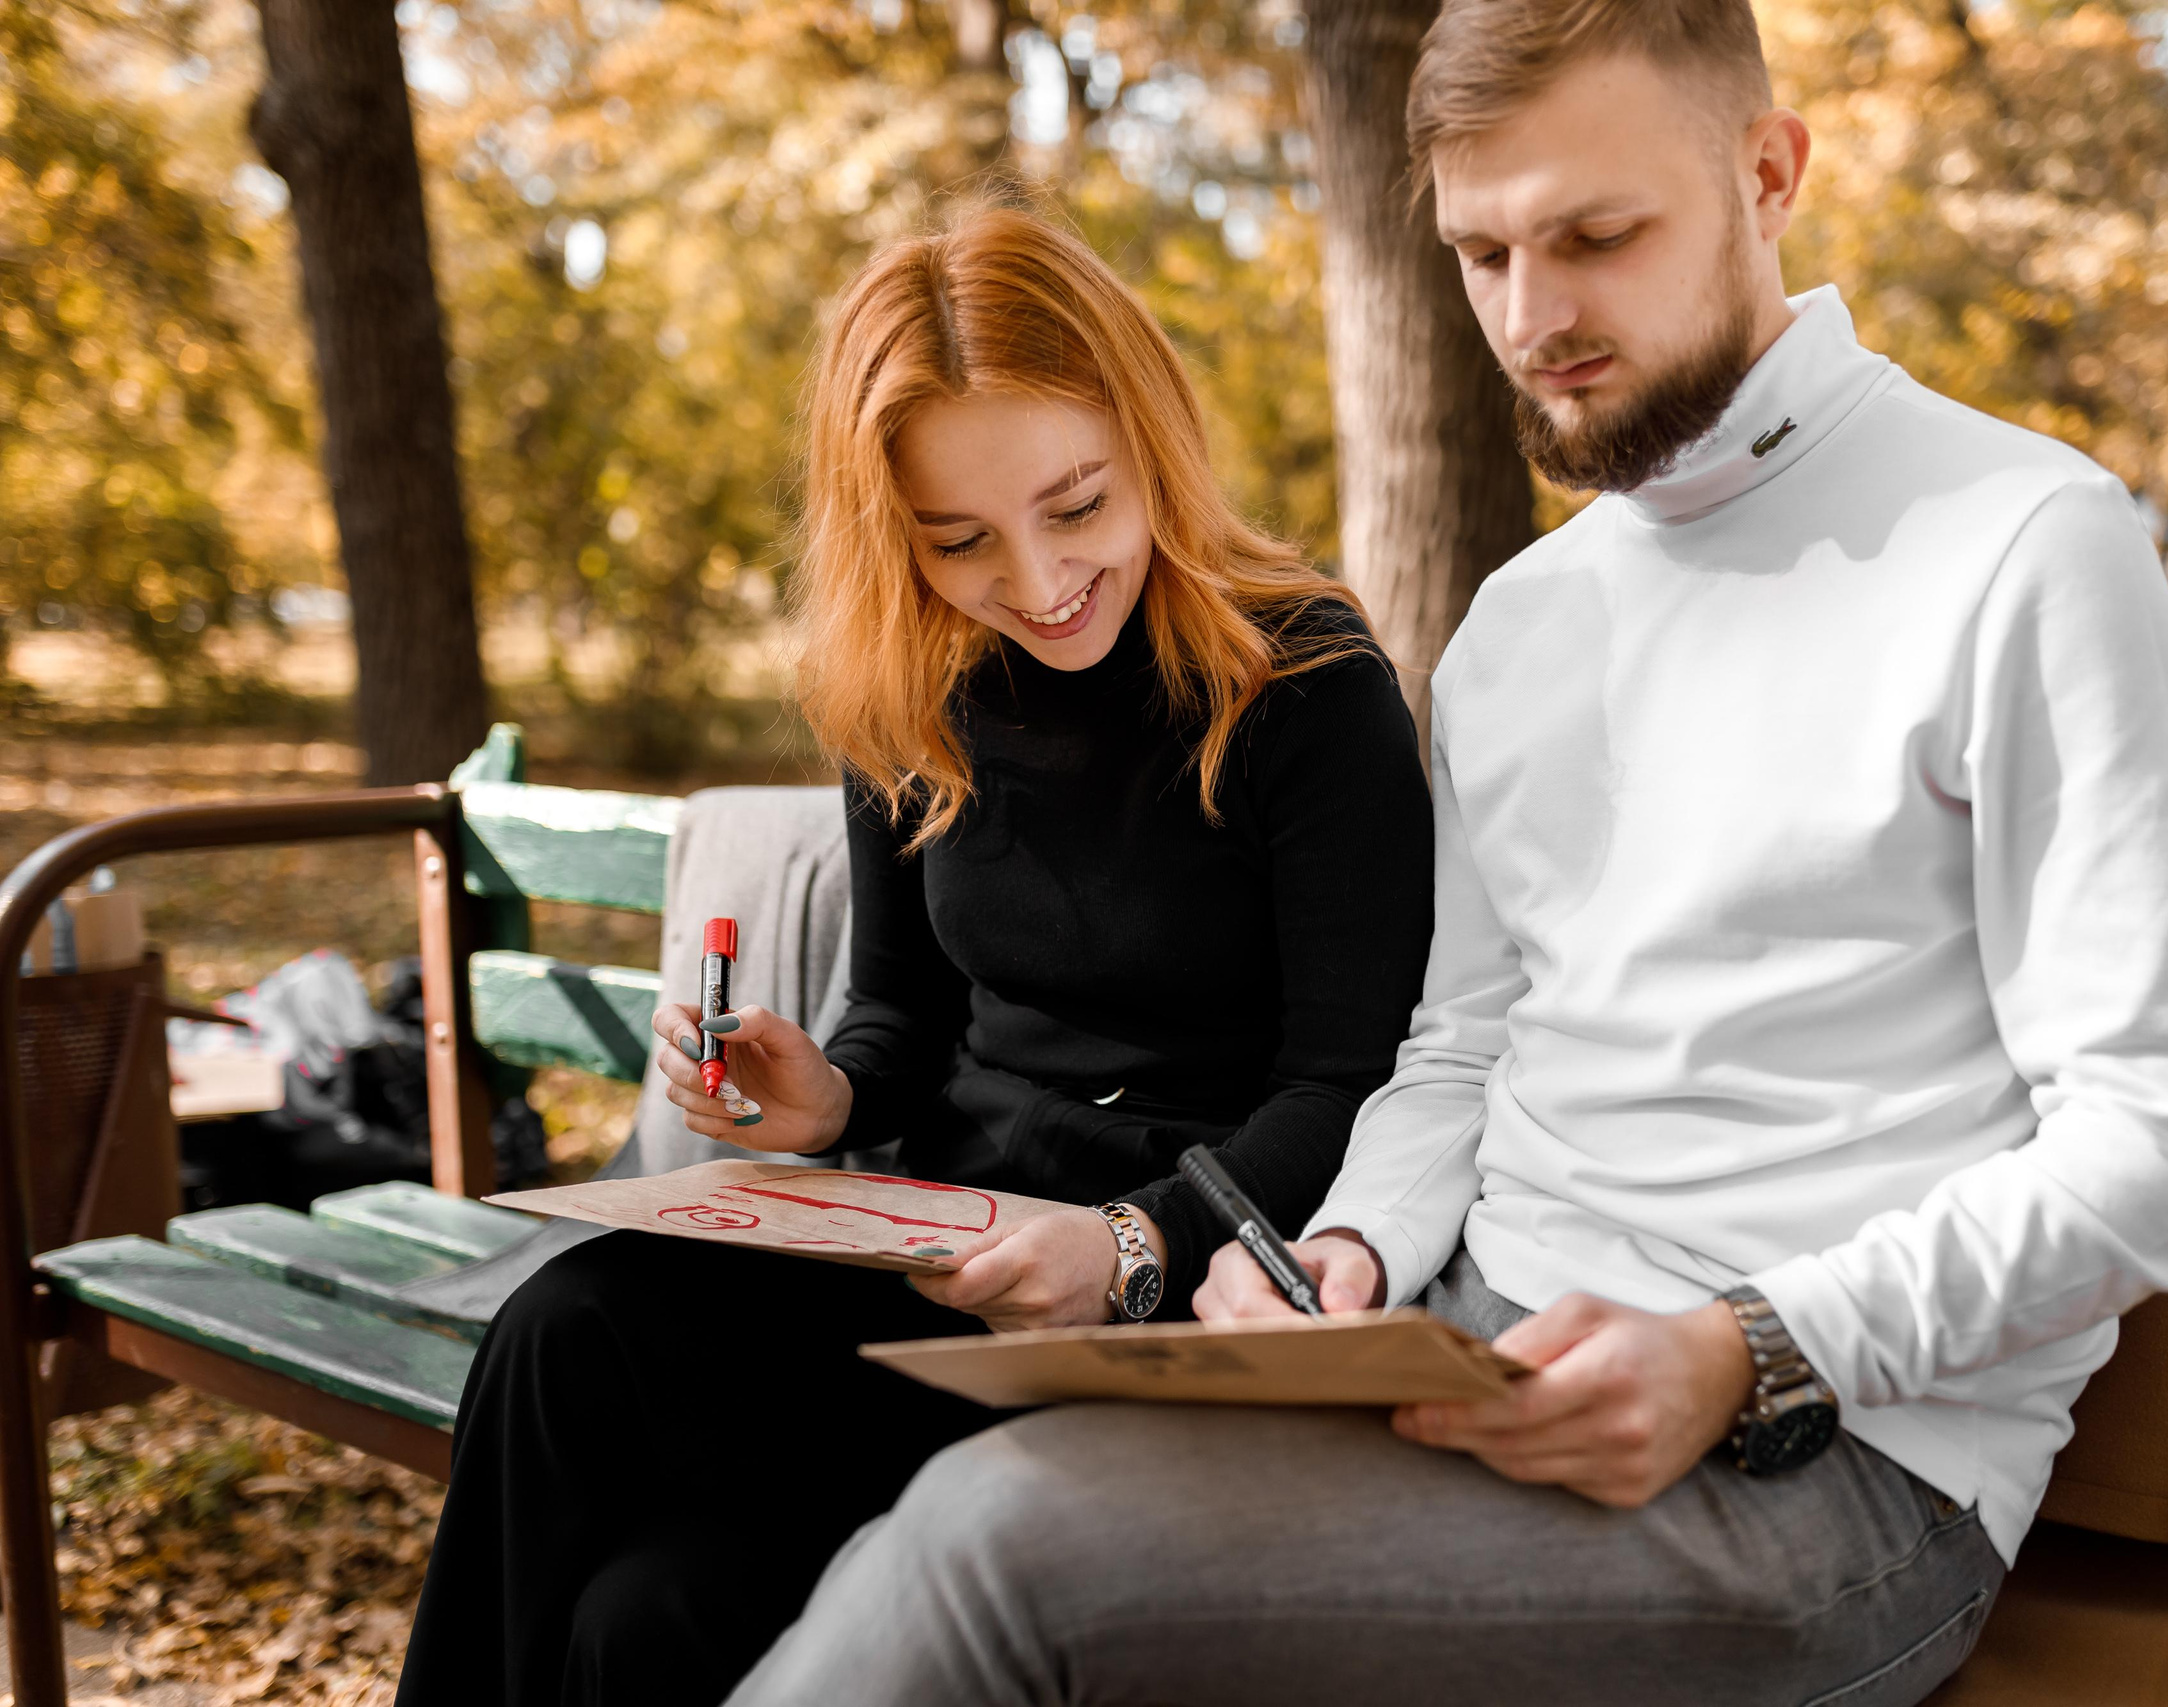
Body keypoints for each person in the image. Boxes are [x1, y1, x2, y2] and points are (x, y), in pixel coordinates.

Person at [723, 3, 2168, 1705]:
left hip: (1835, 1463)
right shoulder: (1525, 623)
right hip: (1455, 1351)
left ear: (1770, 175)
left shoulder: (2025, 547)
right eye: (1483, 254)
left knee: (1003, 1553)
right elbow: (1461, 1047)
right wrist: (1350, 1254)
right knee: (873, 1474)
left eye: (1598, 237)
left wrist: (1744, 1347)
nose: (1532, 319)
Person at [392, 204, 1435, 1707]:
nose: (1040, 579)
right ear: (894, 532)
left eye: (1078, 506)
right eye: (961, 541)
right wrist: (825, 1097)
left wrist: (1128, 1246)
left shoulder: (1305, 678)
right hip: (941, 1260)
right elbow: (902, 1016)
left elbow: (1350, 1082)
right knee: (586, 1399)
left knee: (652, 1602)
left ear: (1151, 438)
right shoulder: (911, 680)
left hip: (1174, 1300)